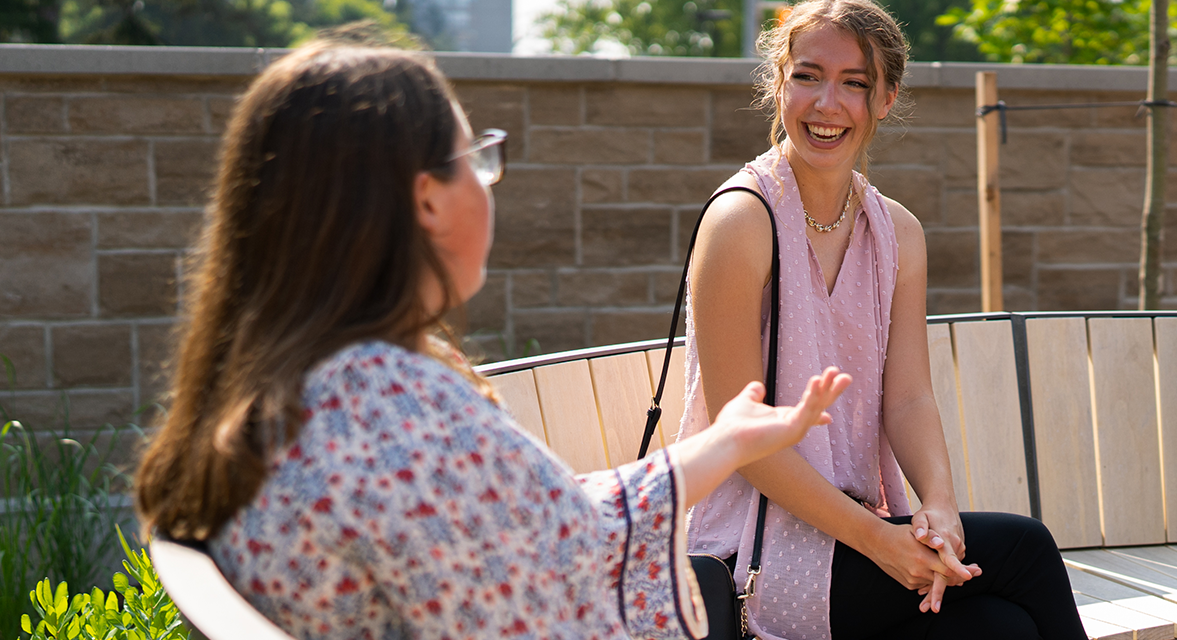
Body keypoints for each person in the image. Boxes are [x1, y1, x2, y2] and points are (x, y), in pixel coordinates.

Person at [132, 33, 851, 640]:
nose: (489, 181)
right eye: (474, 158)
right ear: (425, 201)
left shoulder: (291, 383)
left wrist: (727, 442)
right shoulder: (397, 415)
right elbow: (547, 589)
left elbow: (548, 526)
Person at [674, 1, 1085, 639]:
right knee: (1024, 548)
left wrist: (940, 508)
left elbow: (910, 399)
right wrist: (881, 544)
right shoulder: (742, 221)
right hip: (752, 555)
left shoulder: (896, 232)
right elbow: (743, 441)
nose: (826, 104)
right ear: (779, 83)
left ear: (887, 97)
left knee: (1001, 627)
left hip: (856, 533)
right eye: (807, 76)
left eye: (854, 83)